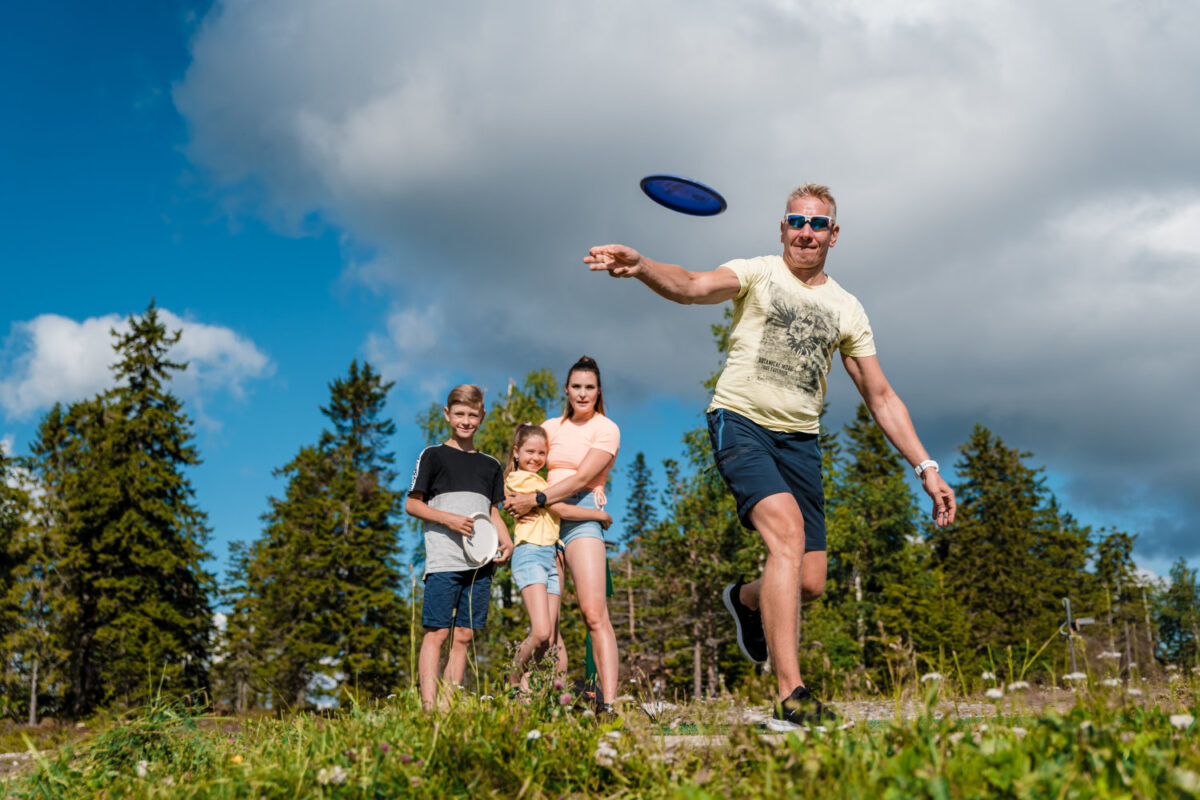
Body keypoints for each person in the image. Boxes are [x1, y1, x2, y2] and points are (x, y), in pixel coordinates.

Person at [585, 183, 956, 731]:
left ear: (835, 235)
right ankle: (792, 695)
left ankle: (746, 598)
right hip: (741, 423)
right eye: (796, 221)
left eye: (818, 224)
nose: (807, 232)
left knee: (809, 580)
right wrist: (642, 265)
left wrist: (926, 467)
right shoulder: (757, 273)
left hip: (801, 442)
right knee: (784, 535)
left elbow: (880, 395)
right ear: (782, 229)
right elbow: (691, 286)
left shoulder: (847, 307)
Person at [505, 356, 621, 716]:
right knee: (546, 626)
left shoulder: (606, 428)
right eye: (576, 387)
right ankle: (535, 698)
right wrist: (515, 501)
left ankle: (609, 702)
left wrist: (536, 498)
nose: (582, 393)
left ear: (598, 391)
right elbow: (525, 464)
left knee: (593, 611)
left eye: (589, 387)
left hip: (579, 510)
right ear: (566, 390)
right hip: (543, 521)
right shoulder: (550, 426)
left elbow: (579, 477)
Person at [406, 384, 514, 711]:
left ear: (482, 416)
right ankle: (428, 708)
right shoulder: (433, 455)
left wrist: (505, 537)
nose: (466, 421)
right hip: (444, 560)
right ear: (447, 414)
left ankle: (447, 706)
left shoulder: (491, 465)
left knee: (465, 635)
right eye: (460, 414)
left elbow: (493, 510)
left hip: (481, 563)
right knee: (438, 632)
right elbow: (413, 505)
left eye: (472, 414)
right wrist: (450, 520)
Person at [504, 422, 613, 696]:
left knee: (552, 638)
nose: (536, 458)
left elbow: (556, 510)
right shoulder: (519, 480)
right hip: (529, 553)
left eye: (542, 453)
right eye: (530, 451)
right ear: (516, 452)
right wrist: (599, 515)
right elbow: (557, 507)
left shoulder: (541, 483)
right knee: (541, 632)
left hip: (551, 554)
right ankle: (512, 679)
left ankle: (549, 696)